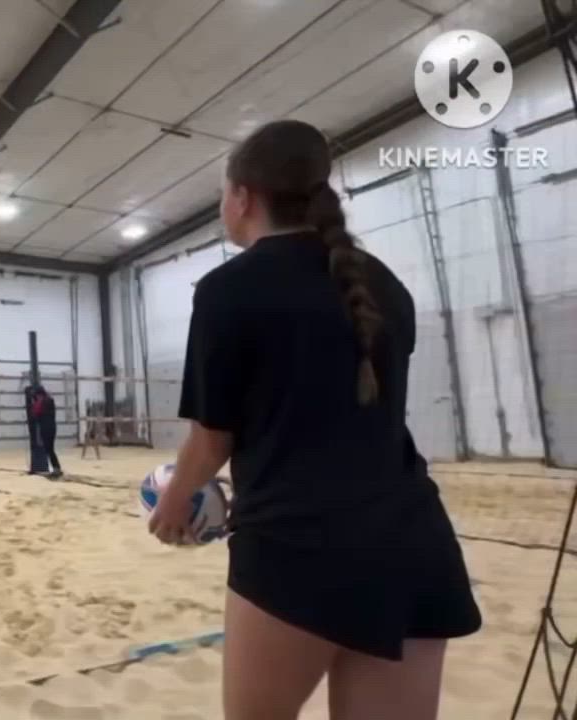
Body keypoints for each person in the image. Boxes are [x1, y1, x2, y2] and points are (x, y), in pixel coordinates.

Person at [147, 120, 481, 720]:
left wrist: (175, 501)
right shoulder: (385, 286)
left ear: (242, 196)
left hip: (298, 547)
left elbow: (212, 438)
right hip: (413, 544)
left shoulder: (227, 289)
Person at [28, 384, 62, 476]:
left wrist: (34, 404)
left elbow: (36, 413)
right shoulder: (47, 400)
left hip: (47, 428)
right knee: (49, 449)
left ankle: (56, 468)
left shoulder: (45, 402)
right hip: (49, 427)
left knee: (49, 449)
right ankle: (56, 468)